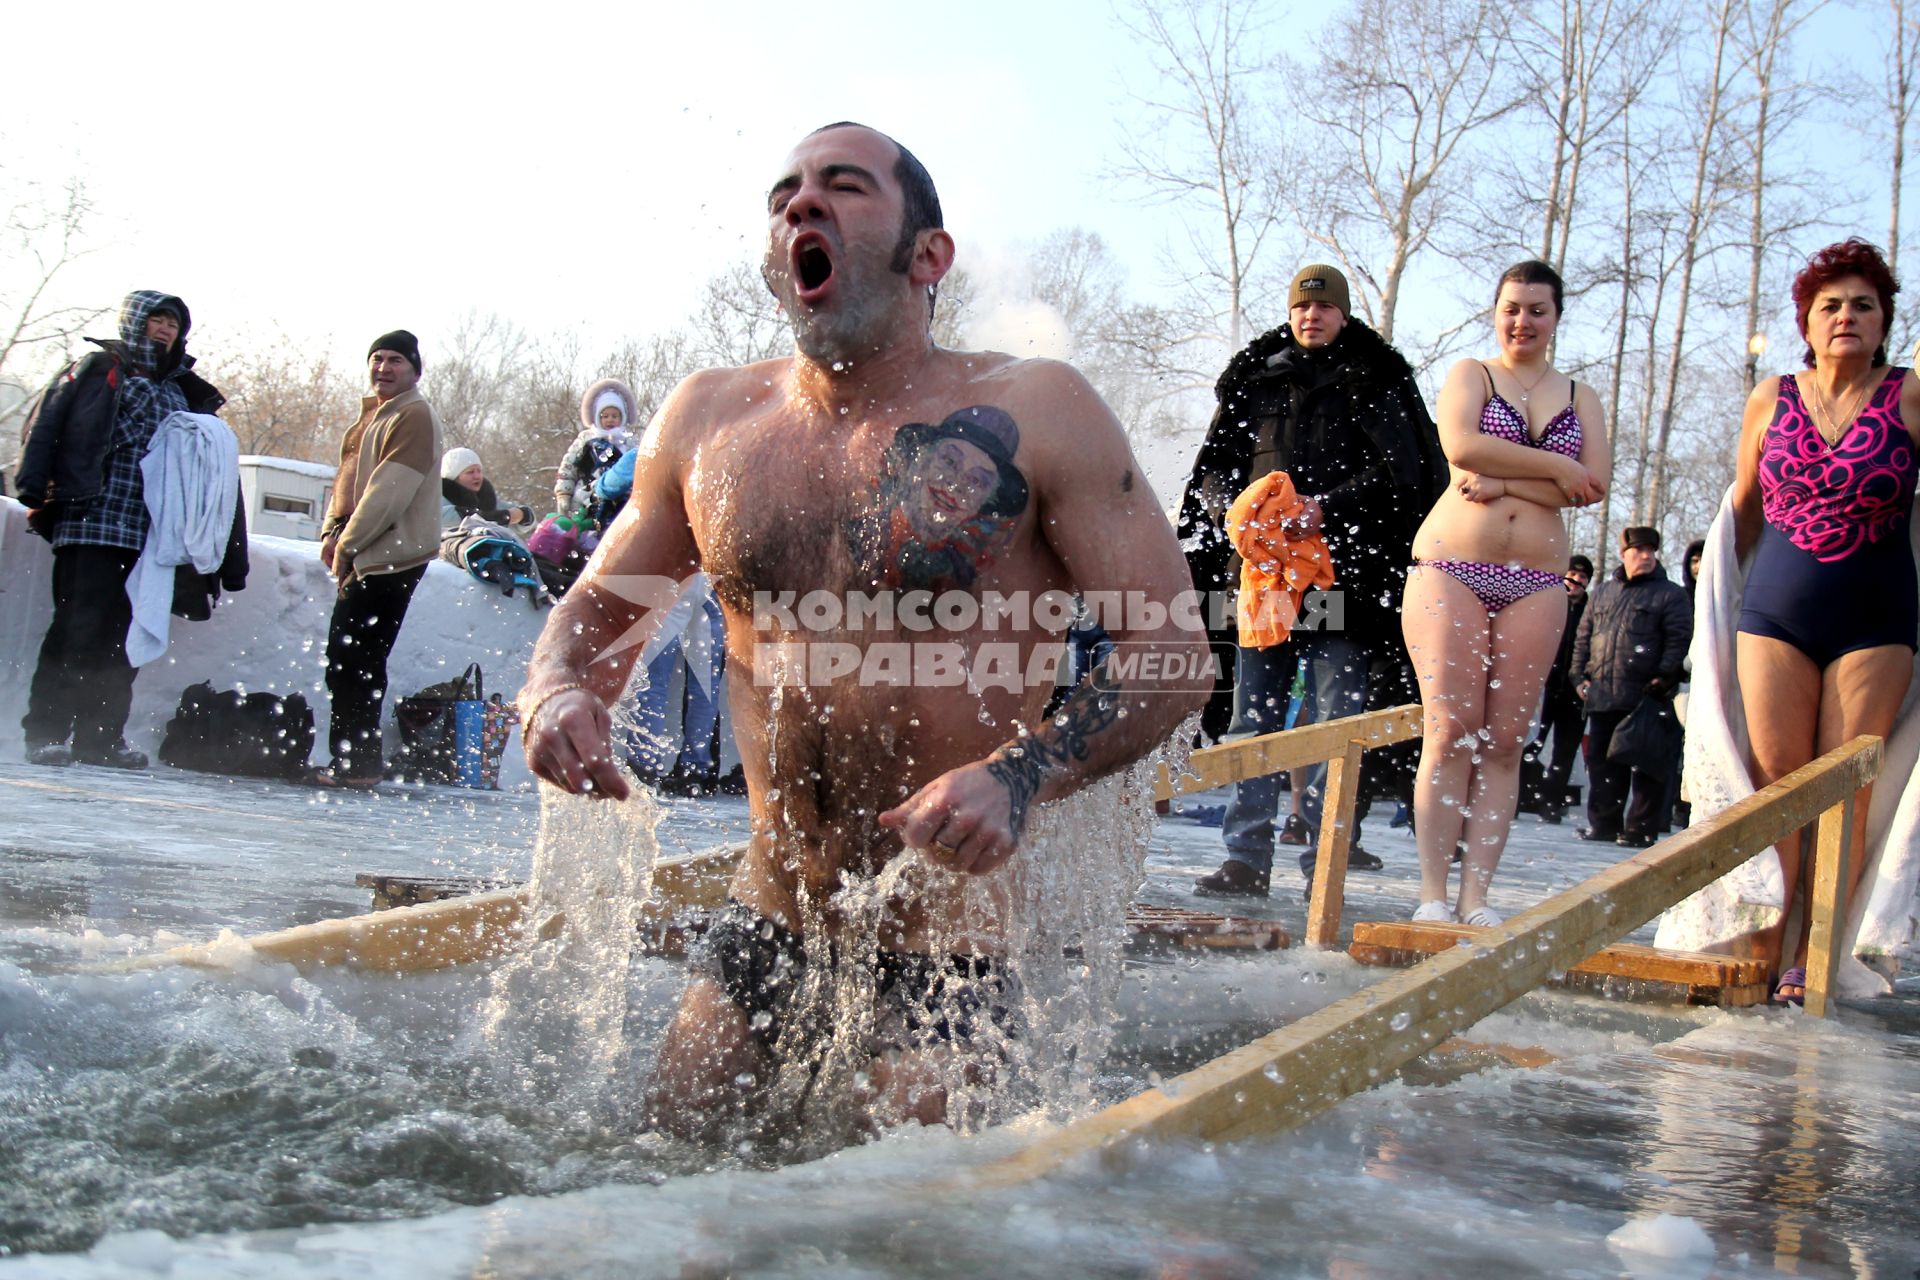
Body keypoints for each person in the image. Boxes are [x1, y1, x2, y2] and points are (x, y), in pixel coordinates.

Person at [517, 122, 1205, 1134]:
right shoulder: (709, 424)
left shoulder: (1039, 408)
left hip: (948, 950)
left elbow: (1175, 654)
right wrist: (556, 686)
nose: (803, 203)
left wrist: (1023, 773)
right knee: (659, 1191)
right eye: (787, 192)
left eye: (844, 186)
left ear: (929, 255)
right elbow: (591, 615)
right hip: (770, 921)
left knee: (883, 1234)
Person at [1178, 264, 1447, 900]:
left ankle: (1324, 860)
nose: (1311, 316)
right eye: (1302, 307)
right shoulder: (1257, 375)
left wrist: (1328, 507)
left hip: (1342, 584)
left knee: (1336, 723)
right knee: (1253, 721)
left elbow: (1404, 474)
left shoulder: (1378, 378)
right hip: (1264, 579)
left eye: (1324, 308)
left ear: (1344, 315)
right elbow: (1214, 466)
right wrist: (1230, 514)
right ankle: (1245, 858)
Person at [1729, 238, 1919, 1003]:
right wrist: (1713, 597)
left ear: (1883, 323)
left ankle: (1814, 952)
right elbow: (1742, 508)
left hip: (1875, 619)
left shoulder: (1909, 395)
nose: (1846, 316)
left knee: (1846, 789)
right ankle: (1766, 936)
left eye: (1863, 305)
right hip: (1774, 611)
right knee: (1777, 784)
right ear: (1806, 321)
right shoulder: (1771, 395)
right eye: (1830, 305)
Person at [1402, 260, 1611, 927]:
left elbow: (1594, 484)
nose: (1523, 321)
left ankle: (1476, 898)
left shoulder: (1581, 395)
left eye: (1537, 310)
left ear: (1556, 317)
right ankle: (1434, 892)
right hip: (1451, 565)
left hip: (1537, 580)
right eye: (1512, 308)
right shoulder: (1472, 374)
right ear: (1496, 312)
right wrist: (1553, 467)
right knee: (1451, 727)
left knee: (1504, 739)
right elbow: (1462, 447)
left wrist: (1506, 479)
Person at [14, 291, 226, 768]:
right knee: (77, 629)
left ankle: (100, 739)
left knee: (124, 637)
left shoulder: (181, 390)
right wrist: (34, 487)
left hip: (151, 537)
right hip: (92, 519)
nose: (166, 329)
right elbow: (49, 421)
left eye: (174, 323)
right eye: (157, 320)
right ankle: (46, 733)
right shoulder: (99, 368)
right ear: (134, 322)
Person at [310, 330, 444, 788]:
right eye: (377, 359)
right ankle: (355, 761)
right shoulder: (377, 416)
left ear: (414, 371)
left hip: (392, 556)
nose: (383, 368)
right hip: (371, 552)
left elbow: (388, 493)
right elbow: (348, 483)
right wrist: (333, 529)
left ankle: (357, 764)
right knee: (349, 660)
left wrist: (346, 543)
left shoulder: (413, 416)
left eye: (395, 362)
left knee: (356, 660)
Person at [1570, 527, 1691, 848]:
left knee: (1647, 766)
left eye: (1651, 550)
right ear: (1624, 554)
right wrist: (1577, 675)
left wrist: (1665, 675)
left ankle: (1640, 829)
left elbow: (1679, 639)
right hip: (1603, 694)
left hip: (1647, 697)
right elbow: (1584, 638)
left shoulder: (1670, 594)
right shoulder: (1602, 593)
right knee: (1601, 764)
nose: (1647, 556)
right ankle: (1604, 825)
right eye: (1639, 551)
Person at [1530, 553, 1593, 823]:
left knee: (1565, 750)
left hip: (1575, 690)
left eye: (1582, 576)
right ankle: (1527, 796)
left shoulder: (1591, 610)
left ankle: (1552, 802)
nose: (1576, 580)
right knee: (1532, 743)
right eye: (1573, 573)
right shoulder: (1547, 602)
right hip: (1543, 686)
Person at [552, 377, 637, 519]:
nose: (610, 419)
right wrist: (564, 493)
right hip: (586, 499)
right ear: (597, 417)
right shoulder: (586, 440)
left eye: (615, 416)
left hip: (622, 504)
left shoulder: (628, 444)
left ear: (622, 417)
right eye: (605, 416)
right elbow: (568, 468)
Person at [440, 447, 534, 530]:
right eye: (470, 472)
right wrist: (496, 517)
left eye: (479, 471)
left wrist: (523, 514)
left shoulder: (487, 501)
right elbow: (444, 518)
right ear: (454, 476)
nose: (477, 476)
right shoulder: (437, 502)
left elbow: (525, 522)